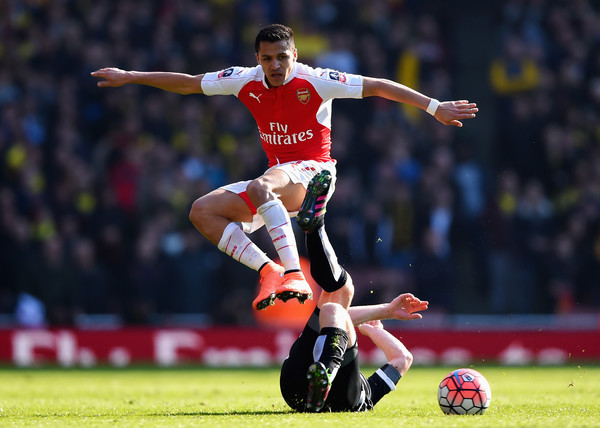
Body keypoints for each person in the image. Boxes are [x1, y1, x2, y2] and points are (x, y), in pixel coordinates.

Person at [91, 23, 478, 311]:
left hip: (314, 173)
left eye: (282, 57)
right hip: (280, 181)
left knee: (262, 187)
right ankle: (269, 271)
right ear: (257, 59)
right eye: (266, 58)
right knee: (201, 211)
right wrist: (131, 77)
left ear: (294, 55)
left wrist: (434, 107)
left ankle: (294, 274)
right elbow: (190, 83)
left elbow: (377, 84)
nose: (275, 65)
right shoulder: (244, 80)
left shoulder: (317, 80)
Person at [280, 170, 428, 412]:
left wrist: (384, 315)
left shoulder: (368, 393)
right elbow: (401, 358)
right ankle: (326, 371)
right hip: (304, 391)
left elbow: (403, 359)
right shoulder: (366, 396)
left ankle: (315, 228)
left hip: (296, 384)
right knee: (337, 300)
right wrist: (385, 312)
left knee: (338, 297)